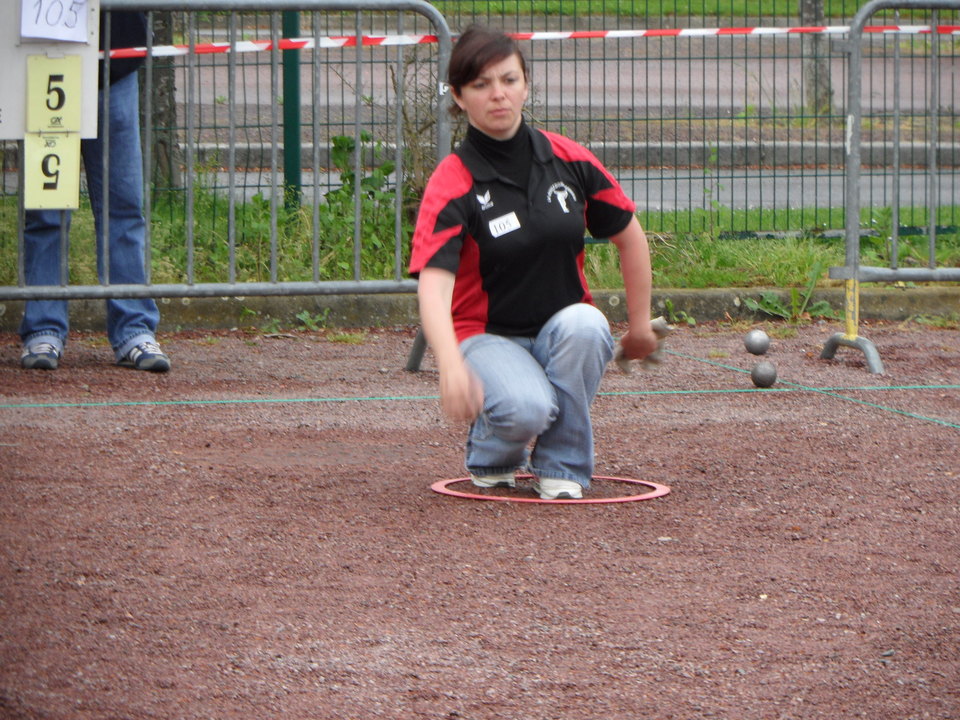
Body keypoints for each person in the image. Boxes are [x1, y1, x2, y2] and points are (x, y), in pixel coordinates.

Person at [409, 25, 658, 499]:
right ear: (459, 96)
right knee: (527, 408)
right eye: (481, 85)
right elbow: (433, 285)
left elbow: (630, 236)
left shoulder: (569, 159)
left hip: (559, 330)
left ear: (526, 83)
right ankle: (492, 453)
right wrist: (450, 367)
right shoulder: (453, 179)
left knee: (588, 325)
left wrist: (641, 325)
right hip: (484, 336)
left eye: (508, 80)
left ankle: (563, 468)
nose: (498, 95)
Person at [19, 11, 170, 372]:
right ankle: (43, 329)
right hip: (43, 62)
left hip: (112, 61)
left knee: (124, 206)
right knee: (45, 208)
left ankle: (134, 329)